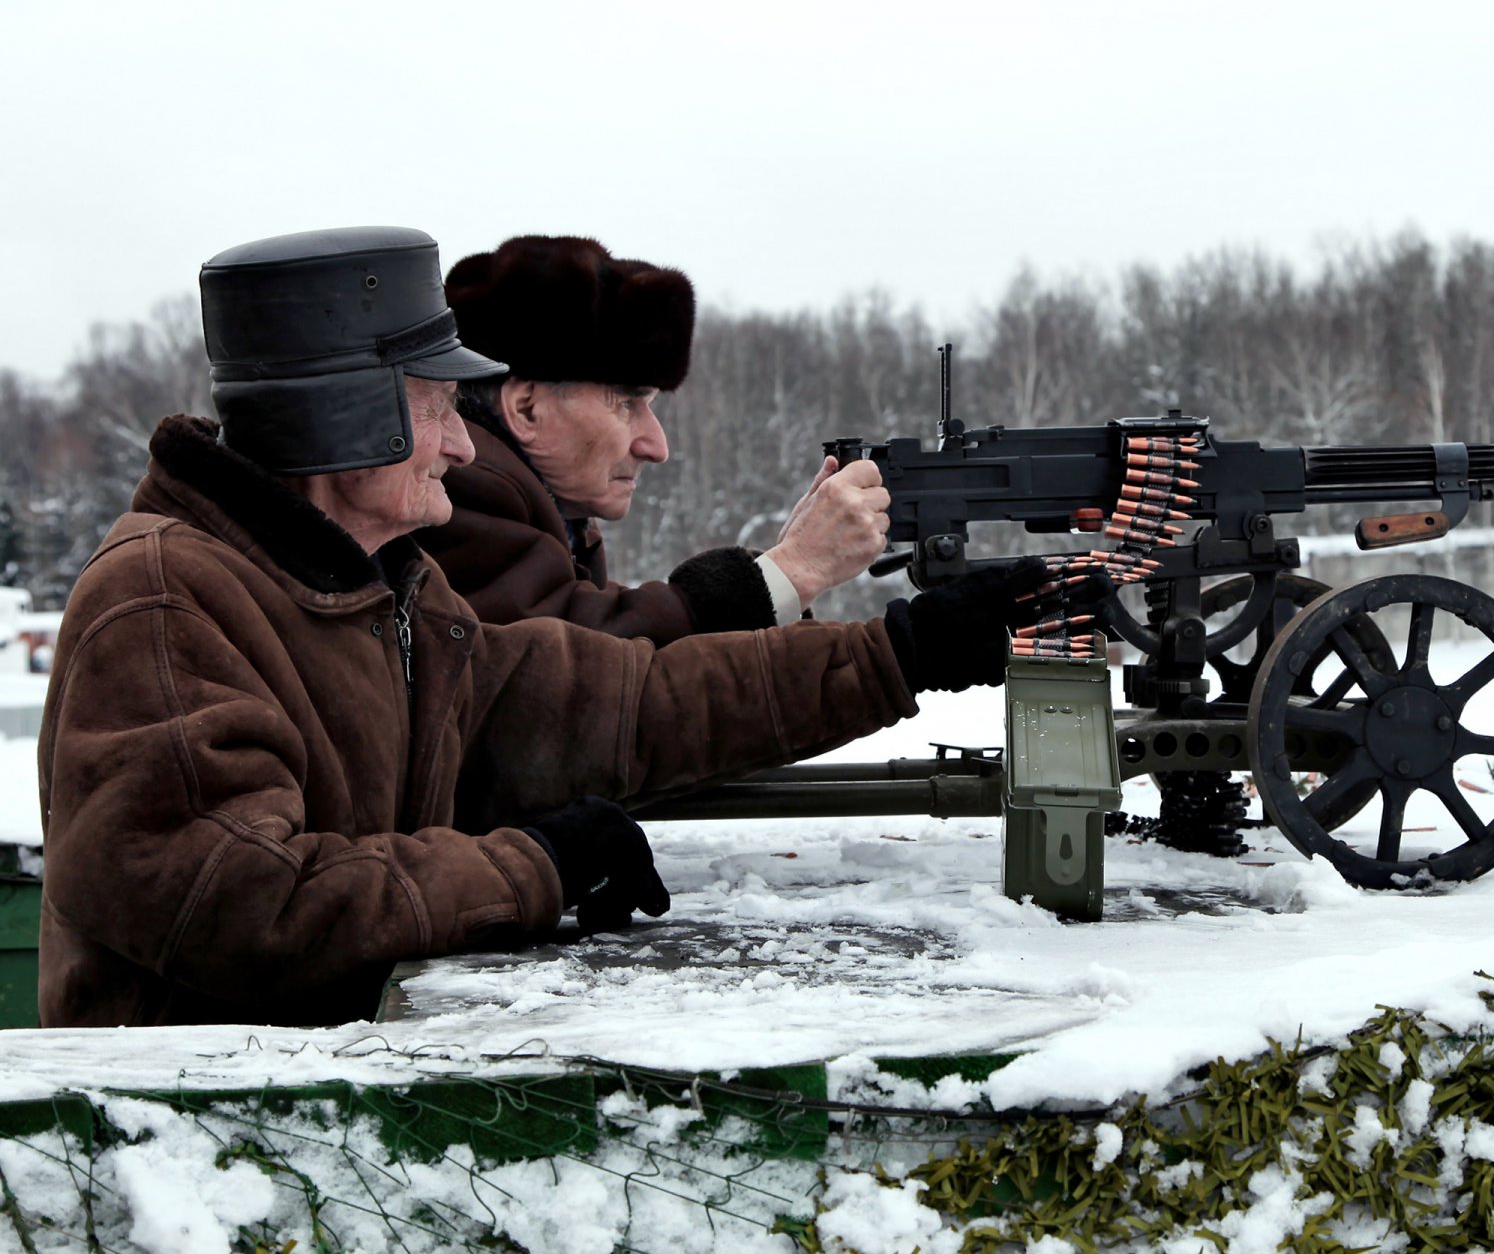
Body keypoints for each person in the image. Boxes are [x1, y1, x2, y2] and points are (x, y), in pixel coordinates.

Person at [35, 226, 1038, 1029]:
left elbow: (621, 704)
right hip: (188, 1149)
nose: (463, 444)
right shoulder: (167, 602)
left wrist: (899, 652)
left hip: (318, 1091)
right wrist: (535, 866)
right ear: (345, 422)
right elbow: (239, 900)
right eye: (436, 408)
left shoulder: (387, 592)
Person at [414, 233, 884, 640]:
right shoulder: (455, 500)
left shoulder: (550, 512)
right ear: (527, 408)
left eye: (650, 406)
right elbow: (603, 684)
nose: (656, 447)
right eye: (626, 403)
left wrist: (786, 570)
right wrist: (792, 570)